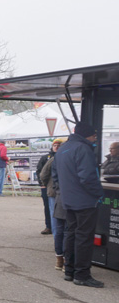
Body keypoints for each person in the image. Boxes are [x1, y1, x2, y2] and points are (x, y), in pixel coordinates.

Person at [52, 122, 105, 288]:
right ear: (87, 135)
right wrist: (99, 194)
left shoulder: (63, 149)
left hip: (68, 200)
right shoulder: (83, 149)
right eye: (94, 135)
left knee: (72, 233)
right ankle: (82, 274)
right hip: (84, 200)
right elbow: (88, 177)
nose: (96, 138)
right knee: (84, 237)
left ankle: (70, 271)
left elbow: (56, 176)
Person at [39, 142, 65, 270]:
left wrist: (48, 185)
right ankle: (63, 257)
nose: (57, 147)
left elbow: (43, 175)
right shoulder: (51, 159)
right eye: (55, 145)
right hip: (59, 193)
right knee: (60, 224)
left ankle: (59, 256)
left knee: (57, 222)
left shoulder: (54, 159)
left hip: (53, 192)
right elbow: (42, 174)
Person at [36, 142, 57, 234]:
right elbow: (40, 172)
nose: (56, 147)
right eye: (55, 145)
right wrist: (42, 184)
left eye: (59, 145)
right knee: (48, 207)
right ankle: (49, 226)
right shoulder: (46, 158)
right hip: (47, 187)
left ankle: (57, 228)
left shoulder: (63, 157)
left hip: (59, 188)